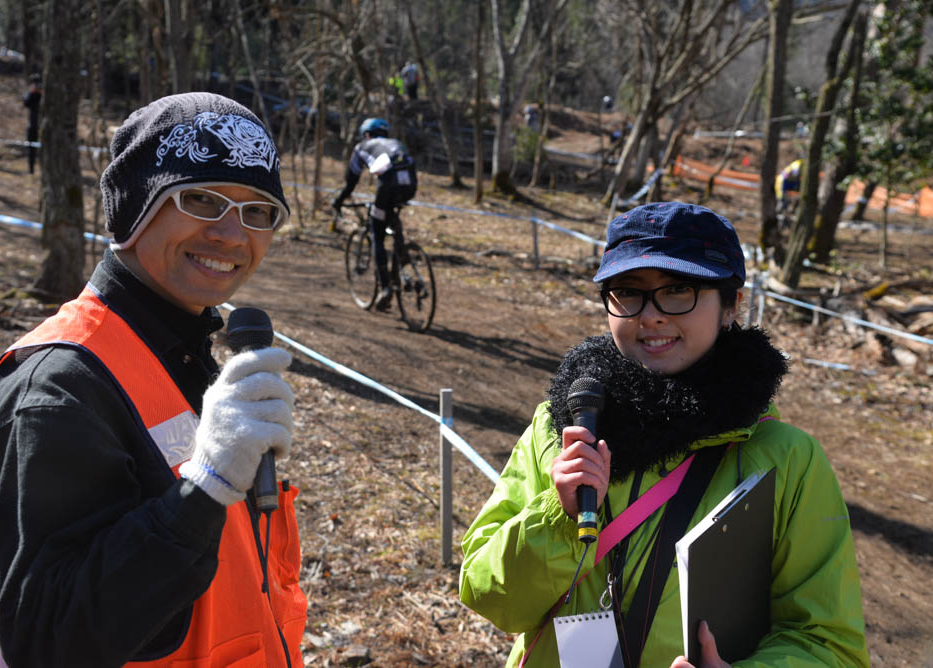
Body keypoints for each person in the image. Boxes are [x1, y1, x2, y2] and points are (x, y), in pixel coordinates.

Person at [0, 92, 307, 667]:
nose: (231, 234)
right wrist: (206, 487)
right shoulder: (54, 391)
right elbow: (47, 641)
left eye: (257, 211)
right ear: (133, 209)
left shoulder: (184, 354)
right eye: (200, 198)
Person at [459, 202, 868, 667]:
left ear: (732, 304)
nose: (650, 316)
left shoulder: (787, 460)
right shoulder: (562, 430)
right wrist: (558, 517)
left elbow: (829, 644)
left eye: (679, 290)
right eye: (628, 292)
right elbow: (489, 597)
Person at [331, 117, 417, 310]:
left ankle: (386, 288)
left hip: (389, 186)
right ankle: (403, 258)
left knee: (376, 232)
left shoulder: (362, 146)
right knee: (390, 216)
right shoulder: (396, 143)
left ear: (366, 134)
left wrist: (338, 201)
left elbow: (351, 182)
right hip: (410, 184)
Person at [23, 73, 42, 174]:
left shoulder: (47, 94)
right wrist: (31, 92)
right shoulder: (30, 93)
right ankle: (31, 169)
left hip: (45, 126)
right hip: (33, 125)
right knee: (31, 148)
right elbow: (25, 102)